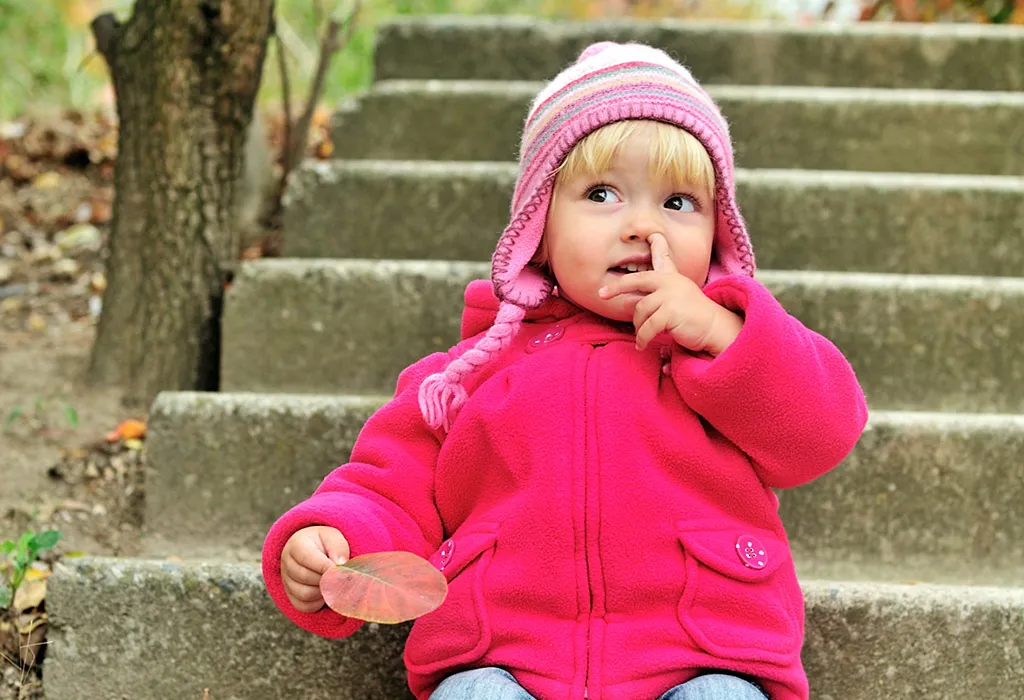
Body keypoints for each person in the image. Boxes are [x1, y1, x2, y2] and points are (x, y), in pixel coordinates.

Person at [262, 41, 868, 700]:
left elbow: (822, 431)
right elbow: (390, 486)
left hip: (705, 649)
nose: (642, 225)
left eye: (678, 203)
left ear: (717, 232)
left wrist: (723, 333)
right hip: (503, 654)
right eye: (602, 194)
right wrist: (335, 538)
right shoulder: (465, 377)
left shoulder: (726, 353)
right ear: (538, 230)